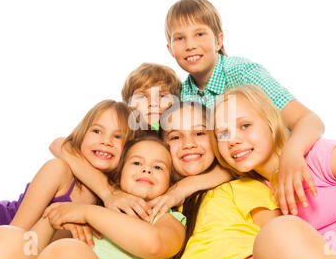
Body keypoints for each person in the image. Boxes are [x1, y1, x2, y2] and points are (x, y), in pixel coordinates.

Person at [212, 84, 336, 259]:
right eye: (222, 134)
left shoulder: (322, 156)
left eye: (245, 125)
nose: (233, 140)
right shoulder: (253, 197)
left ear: (270, 122)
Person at [164, 0, 324, 217]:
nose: (190, 44)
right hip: (250, 185)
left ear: (219, 40)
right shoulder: (184, 95)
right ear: (170, 48)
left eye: (200, 34)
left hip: (289, 170)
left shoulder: (243, 73)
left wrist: (292, 153)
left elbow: (309, 120)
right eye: (180, 38)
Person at [160, 101, 336, 259]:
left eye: (199, 132)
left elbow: (284, 241)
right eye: (175, 137)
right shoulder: (168, 207)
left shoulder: (241, 188)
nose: (188, 144)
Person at [49, 62, 231, 222]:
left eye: (162, 96)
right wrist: (109, 193)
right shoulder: (122, 133)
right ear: (128, 105)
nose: (152, 104)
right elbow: (59, 144)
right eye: (142, 97)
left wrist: (182, 189)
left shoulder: (177, 139)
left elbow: (227, 168)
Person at [0, 135, 186, 259]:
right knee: (6, 236)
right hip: (54, 255)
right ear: (118, 176)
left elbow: (155, 245)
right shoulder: (97, 210)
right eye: (137, 163)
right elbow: (36, 249)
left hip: (69, 257)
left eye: (158, 167)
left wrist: (85, 213)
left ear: (171, 182)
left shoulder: (166, 217)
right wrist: (56, 217)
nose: (147, 169)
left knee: (66, 252)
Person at [0, 99, 135, 259]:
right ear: (82, 134)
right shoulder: (59, 170)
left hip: (30, 252)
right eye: (97, 131)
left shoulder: (115, 202)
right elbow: (14, 237)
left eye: (118, 136)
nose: (106, 141)